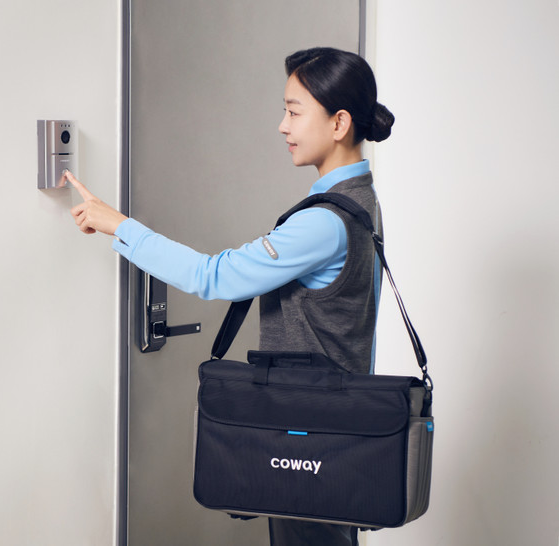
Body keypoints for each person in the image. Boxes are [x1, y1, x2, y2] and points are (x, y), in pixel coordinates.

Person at [66, 47, 395, 546]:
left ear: (339, 122)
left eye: (294, 111)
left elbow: (213, 277)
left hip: (309, 434)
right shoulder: (361, 200)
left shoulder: (324, 223)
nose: (282, 126)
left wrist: (120, 225)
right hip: (332, 431)